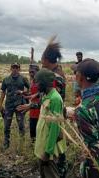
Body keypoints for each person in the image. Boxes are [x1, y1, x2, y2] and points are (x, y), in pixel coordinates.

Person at [41, 37, 67, 177]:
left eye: (42, 59)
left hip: (54, 118)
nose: (41, 62)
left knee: (56, 152)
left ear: (47, 59)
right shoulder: (58, 73)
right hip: (56, 117)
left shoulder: (54, 77)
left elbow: (54, 100)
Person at [34, 68, 67, 178]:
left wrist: (48, 152)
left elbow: (55, 128)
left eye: (37, 82)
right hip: (42, 143)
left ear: (44, 83)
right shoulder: (46, 95)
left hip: (49, 149)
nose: (36, 85)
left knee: (51, 174)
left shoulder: (55, 99)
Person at [0, 62, 30, 149]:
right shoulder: (6, 80)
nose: (15, 69)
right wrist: (0, 104)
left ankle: (22, 144)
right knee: (6, 126)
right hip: (9, 106)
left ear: (19, 69)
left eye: (17, 67)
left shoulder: (23, 79)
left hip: (19, 105)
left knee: (21, 125)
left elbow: (30, 90)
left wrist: (26, 98)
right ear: (11, 68)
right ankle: (6, 143)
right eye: (13, 67)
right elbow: (3, 92)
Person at [17, 64, 41, 142]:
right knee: (32, 131)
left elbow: (41, 94)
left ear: (38, 71)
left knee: (39, 132)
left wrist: (31, 96)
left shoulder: (41, 82)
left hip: (39, 109)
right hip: (32, 109)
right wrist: (23, 93)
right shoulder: (32, 81)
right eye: (30, 72)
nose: (31, 74)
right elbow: (31, 93)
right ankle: (33, 147)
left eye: (33, 72)